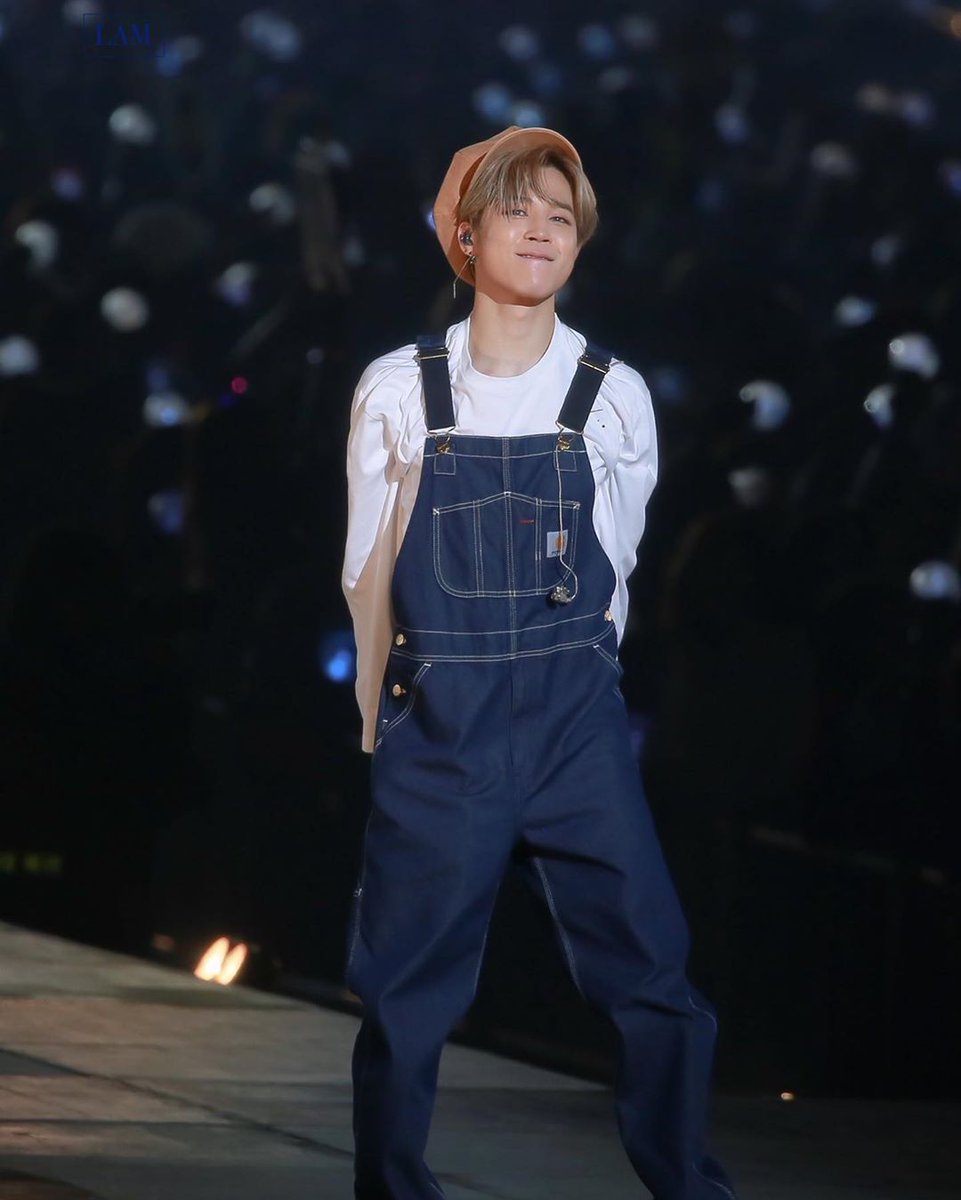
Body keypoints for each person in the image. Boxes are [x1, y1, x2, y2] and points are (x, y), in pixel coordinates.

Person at [341, 125, 738, 1200]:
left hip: (573, 724)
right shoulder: (399, 388)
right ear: (463, 235)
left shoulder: (611, 391)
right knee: (405, 990)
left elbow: (620, 558)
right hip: (442, 721)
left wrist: (583, 690)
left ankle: (688, 1185)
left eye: (560, 215)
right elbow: (366, 570)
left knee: (651, 969)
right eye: (516, 209)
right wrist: (388, 720)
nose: (541, 230)